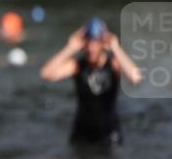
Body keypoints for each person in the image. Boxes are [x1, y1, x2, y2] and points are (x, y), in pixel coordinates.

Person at [39, 18, 142, 147]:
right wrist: (70, 49)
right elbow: (46, 74)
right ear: (84, 43)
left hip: (109, 134)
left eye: (96, 42)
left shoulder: (114, 65)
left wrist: (116, 48)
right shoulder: (77, 66)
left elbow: (135, 77)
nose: (92, 48)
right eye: (89, 42)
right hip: (82, 135)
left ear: (103, 43)